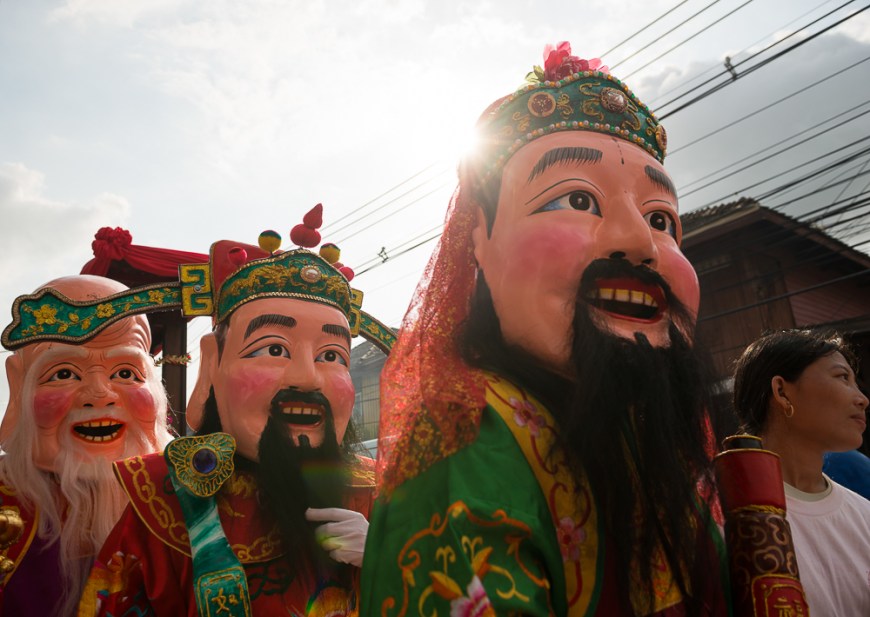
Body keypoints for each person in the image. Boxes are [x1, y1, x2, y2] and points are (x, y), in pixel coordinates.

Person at [361, 43, 728, 616]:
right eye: (577, 199)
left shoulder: (662, 444)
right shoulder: (471, 446)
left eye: (661, 219)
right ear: (478, 242)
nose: (637, 241)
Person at [78, 211, 394, 616]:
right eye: (273, 349)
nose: (307, 378)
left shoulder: (381, 495)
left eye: (331, 356)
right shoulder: (165, 501)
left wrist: (391, 565)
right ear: (212, 366)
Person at [0, 274, 174, 617]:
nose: (99, 395)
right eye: (64, 374)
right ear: (19, 386)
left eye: (125, 373)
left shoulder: (194, 505)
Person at [732, 329, 870, 617]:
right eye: (842, 377)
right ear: (781, 391)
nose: (862, 399)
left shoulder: (864, 514)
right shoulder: (721, 512)